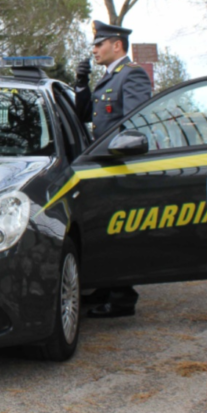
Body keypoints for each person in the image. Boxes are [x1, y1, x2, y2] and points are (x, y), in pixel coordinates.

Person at [73, 20, 152, 318]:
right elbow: (82, 114)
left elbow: (136, 122)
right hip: (105, 165)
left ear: (116, 44)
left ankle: (122, 297)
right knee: (107, 230)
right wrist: (81, 83)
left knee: (122, 232)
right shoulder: (109, 77)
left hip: (122, 165)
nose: (94, 49)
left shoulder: (131, 76)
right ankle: (110, 286)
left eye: (98, 44)